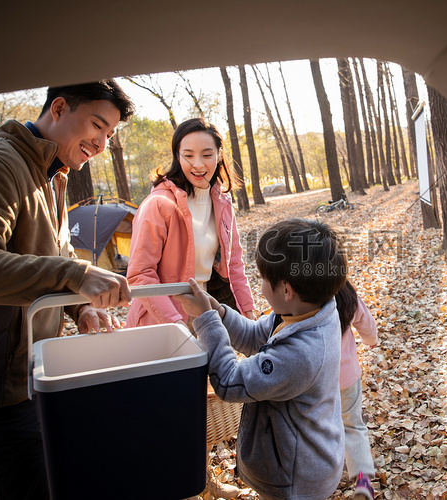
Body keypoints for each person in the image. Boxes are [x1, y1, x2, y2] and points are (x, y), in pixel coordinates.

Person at [0, 80, 136, 500]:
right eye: (96, 126)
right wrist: (73, 275)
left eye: (110, 136)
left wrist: (78, 308)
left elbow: (52, 254)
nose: (101, 144)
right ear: (59, 107)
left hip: (33, 377)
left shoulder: (53, 177)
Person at [174, 218, 347, 500]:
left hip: (294, 477)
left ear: (287, 290)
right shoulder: (309, 309)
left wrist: (206, 322)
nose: (262, 286)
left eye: (264, 279)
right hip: (300, 460)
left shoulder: (300, 354)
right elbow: (256, 337)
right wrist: (219, 313)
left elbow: (229, 382)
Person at [126, 117, 257, 331]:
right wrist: (177, 325)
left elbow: (234, 264)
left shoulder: (222, 203)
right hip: (160, 321)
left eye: (207, 155)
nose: (198, 164)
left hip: (206, 314)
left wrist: (248, 314)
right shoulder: (158, 205)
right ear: (178, 157)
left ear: (219, 154)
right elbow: (140, 274)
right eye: (188, 156)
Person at [336, 280, 378, 500]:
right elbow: (367, 323)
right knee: (353, 425)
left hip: (317, 378)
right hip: (347, 378)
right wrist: (371, 340)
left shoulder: (308, 295)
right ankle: (363, 480)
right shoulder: (346, 295)